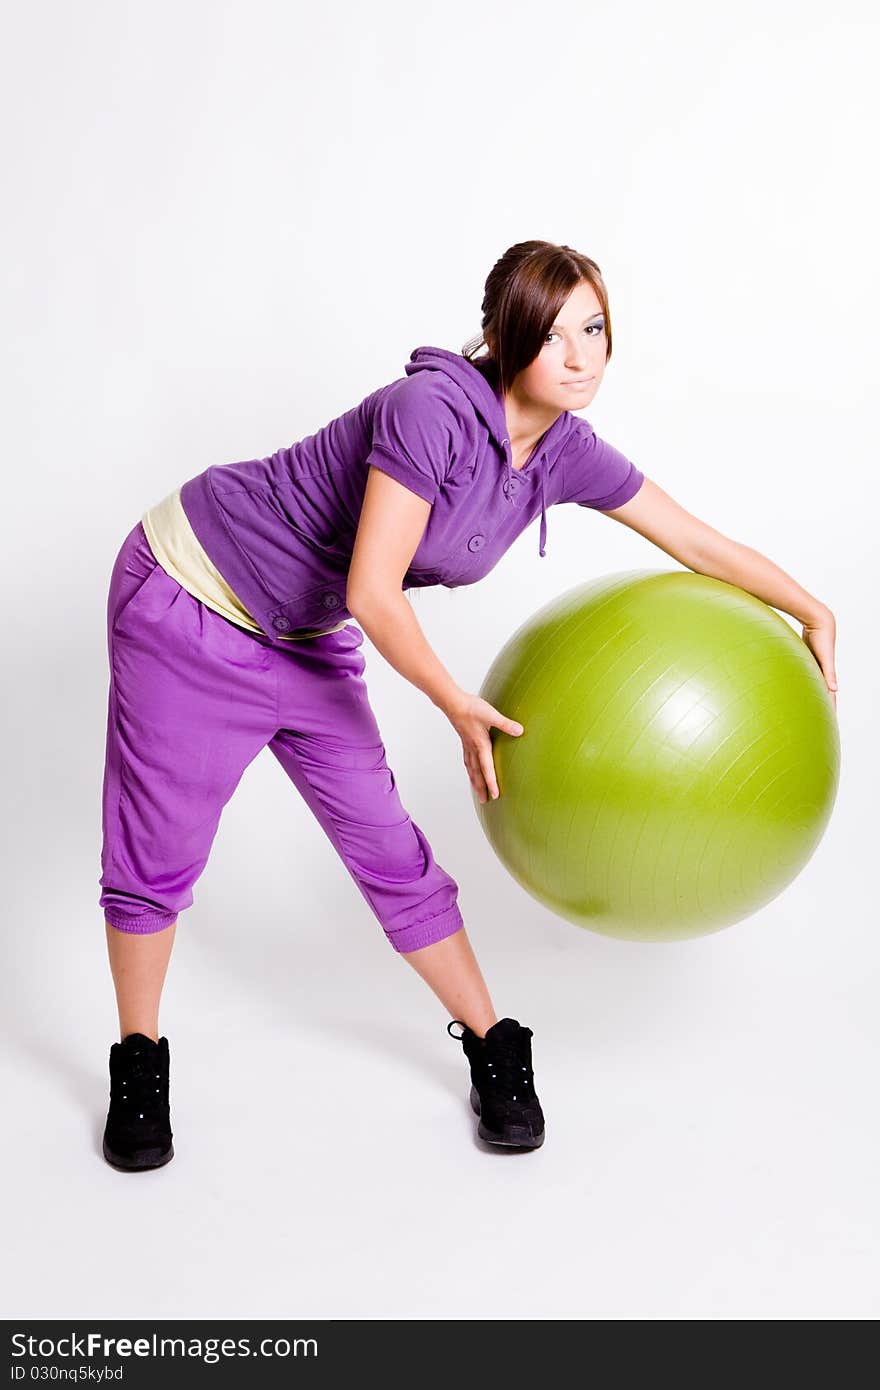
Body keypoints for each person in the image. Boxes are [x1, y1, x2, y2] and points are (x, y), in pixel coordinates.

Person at [99, 239, 838, 1170]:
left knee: (390, 850)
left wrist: (809, 605)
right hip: (190, 595)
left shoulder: (562, 451)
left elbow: (688, 538)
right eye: (556, 333)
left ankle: (494, 1046)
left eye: (597, 329)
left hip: (301, 635)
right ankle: (139, 1061)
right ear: (504, 334)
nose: (583, 357)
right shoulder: (432, 411)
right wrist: (456, 702)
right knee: (159, 850)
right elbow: (373, 590)